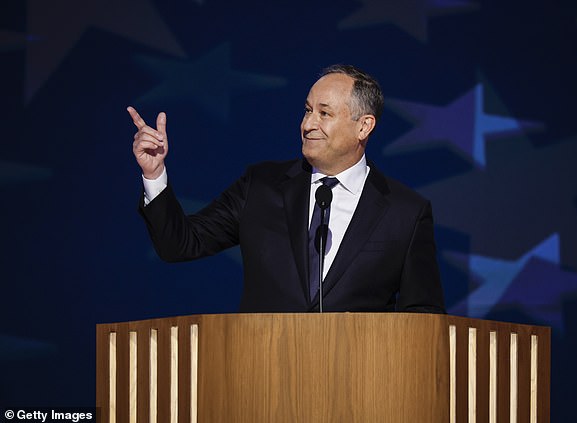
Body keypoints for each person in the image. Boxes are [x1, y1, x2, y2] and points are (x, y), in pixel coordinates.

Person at [129, 64, 445, 313]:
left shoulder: (406, 211)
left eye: (325, 113)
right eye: (308, 110)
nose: (308, 124)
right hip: (263, 378)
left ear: (364, 126)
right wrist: (154, 174)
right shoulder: (261, 186)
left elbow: (423, 315)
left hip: (358, 387)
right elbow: (180, 244)